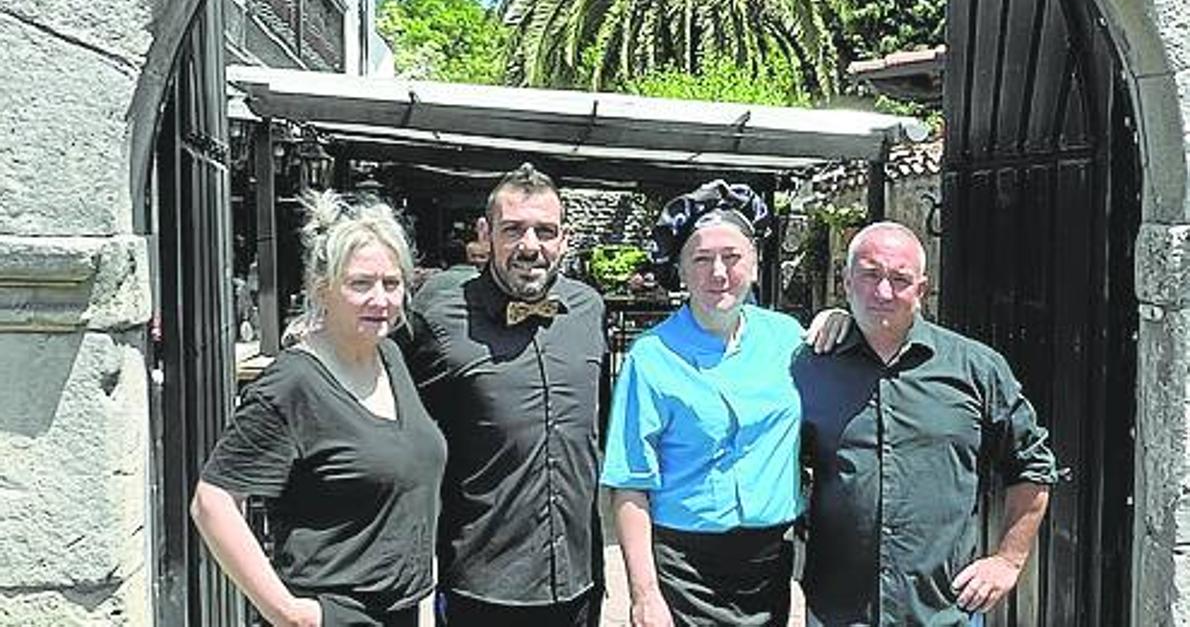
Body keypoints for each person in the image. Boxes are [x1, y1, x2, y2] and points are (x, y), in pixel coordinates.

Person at [191, 191, 447, 627]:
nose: (380, 300)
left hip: (398, 613)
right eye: (360, 283)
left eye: (392, 283)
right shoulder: (294, 383)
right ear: (321, 288)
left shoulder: (391, 358)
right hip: (329, 612)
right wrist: (289, 613)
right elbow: (211, 502)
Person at [600, 180, 847, 627]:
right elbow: (630, 481)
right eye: (701, 258)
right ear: (680, 270)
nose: (718, 273)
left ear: (753, 264)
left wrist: (841, 319)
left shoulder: (789, 339)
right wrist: (644, 594)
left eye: (732, 258)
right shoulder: (651, 357)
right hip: (685, 565)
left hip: (768, 563)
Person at [793, 221, 1059, 626]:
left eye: (899, 279)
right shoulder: (808, 367)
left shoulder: (975, 369)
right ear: (845, 282)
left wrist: (1008, 561)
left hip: (944, 613)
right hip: (836, 612)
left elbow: (1034, 466)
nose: (883, 292)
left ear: (921, 289)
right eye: (869, 275)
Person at [404, 163, 606, 626]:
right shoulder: (436, 315)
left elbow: (599, 430)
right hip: (482, 586)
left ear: (564, 239)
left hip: (577, 581)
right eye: (513, 230)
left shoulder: (588, 309)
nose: (530, 246)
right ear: (485, 233)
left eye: (545, 231)